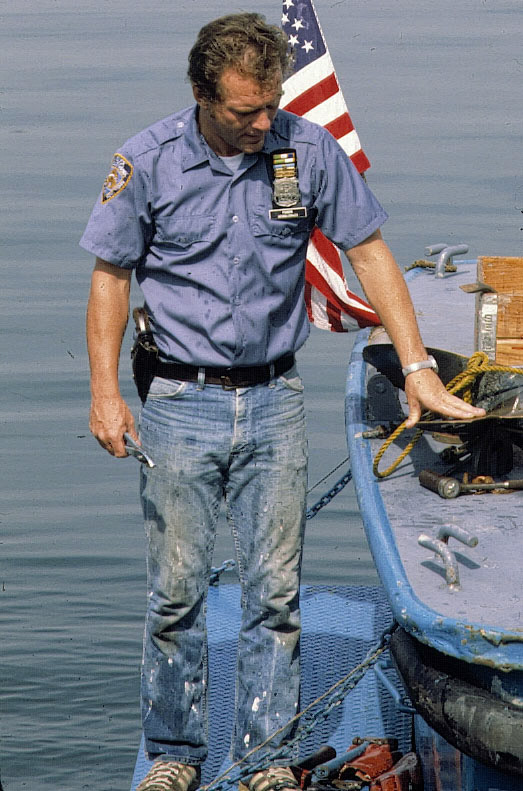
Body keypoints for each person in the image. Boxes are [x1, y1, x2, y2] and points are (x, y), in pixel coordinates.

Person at [82, 13, 485, 791]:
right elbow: (109, 277)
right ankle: (174, 753)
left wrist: (414, 367)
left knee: (274, 591)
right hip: (176, 400)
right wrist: (104, 393)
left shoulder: (305, 148)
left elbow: (367, 252)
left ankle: (268, 758)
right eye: (245, 112)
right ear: (202, 96)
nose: (264, 123)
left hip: (275, 399)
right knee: (176, 593)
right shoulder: (147, 161)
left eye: (270, 106)